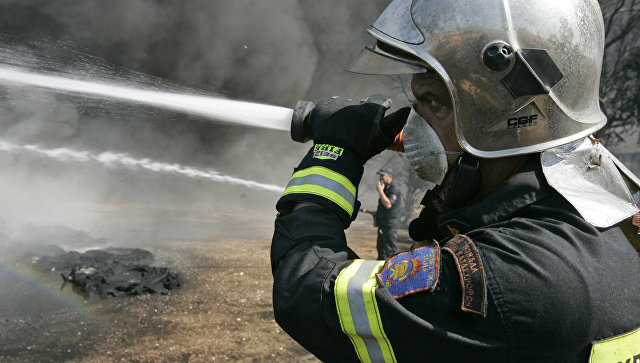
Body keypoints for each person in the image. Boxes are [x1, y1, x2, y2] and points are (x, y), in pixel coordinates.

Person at [270, 0, 640, 361]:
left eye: (435, 102)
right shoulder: (615, 216)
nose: (414, 124)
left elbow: (309, 291)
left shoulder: (515, 276)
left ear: (500, 117)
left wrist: (334, 154)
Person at [374, 167, 401, 260]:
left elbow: (388, 204)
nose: (381, 177)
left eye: (383, 175)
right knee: (381, 250)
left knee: (391, 250)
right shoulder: (385, 187)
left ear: (390, 176)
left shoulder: (394, 189)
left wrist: (380, 192)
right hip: (383, 224)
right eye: (380, 175)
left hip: (390, 225)